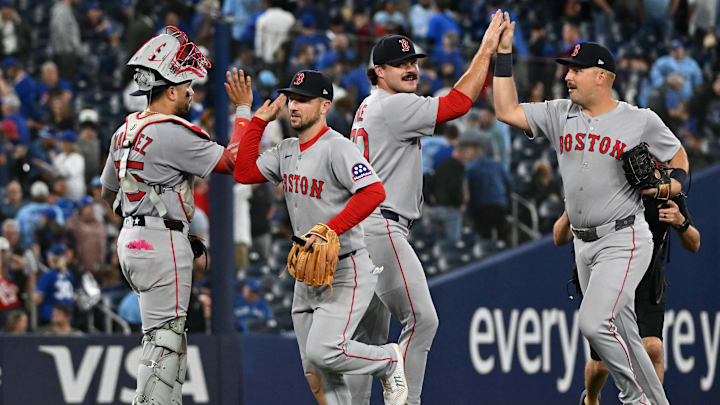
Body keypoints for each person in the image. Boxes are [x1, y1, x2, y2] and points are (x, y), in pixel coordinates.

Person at [492, 11, 690, 405]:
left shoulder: (639, 120)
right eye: (568, 69)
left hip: (624, 236)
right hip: (583, 245)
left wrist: (668, 186)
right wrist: (504, 54)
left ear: (602, 76)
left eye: (576, 70)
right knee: (624, 331)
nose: (568, 76)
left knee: (594, 323)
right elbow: (506, 111)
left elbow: (680, 157)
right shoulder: (558, 113)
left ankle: (635, 398)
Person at [347, 12, 508, 405]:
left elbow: (467, 94)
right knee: (422, 320)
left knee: (365, 340)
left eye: (413, 61)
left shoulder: (373, 105)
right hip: (382, 227)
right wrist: (487, 49)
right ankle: (407, 401)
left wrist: (493, 62)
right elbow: (458, 103)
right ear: (378, 71)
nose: (410, 68)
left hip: (365, 227)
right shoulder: (393, 106)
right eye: (400, 64)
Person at [233, 69, 408, 405]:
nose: (294, 106)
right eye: (292, 99)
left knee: (324, 351)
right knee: (316, 371)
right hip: (306, 273)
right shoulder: (285, 150)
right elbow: (243, 171)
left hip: (345, 268)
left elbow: (373, 192)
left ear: (325, 105)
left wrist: (331, 228)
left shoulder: (336, 148)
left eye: (303, 100)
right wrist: (257, 121)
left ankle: (387, 360)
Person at [99, 26, 254, 405]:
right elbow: (234, 162)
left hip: (132, 241)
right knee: (164, 344)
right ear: (170, 89)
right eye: (187, 86)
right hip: (159, 243)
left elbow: (108, 192)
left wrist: (149, 214)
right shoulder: (173, 130)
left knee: (166, 341)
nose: (192, 93)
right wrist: (244, 111)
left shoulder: (125, 130)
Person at [554, 193, 700, 405]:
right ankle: (591, 399)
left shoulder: (667, 191)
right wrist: (570, 213)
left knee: (653, 347)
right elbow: (560, 237)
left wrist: (681, 223)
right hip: (610, 273)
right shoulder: (605, 185)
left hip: (648, 278)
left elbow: (694, 243)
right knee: (601, 364)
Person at [33, 244, 76, 325]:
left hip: (51, 317)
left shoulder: (48, 275)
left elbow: (37, 299)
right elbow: (73, 297)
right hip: (68, 318)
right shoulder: (69, 274)